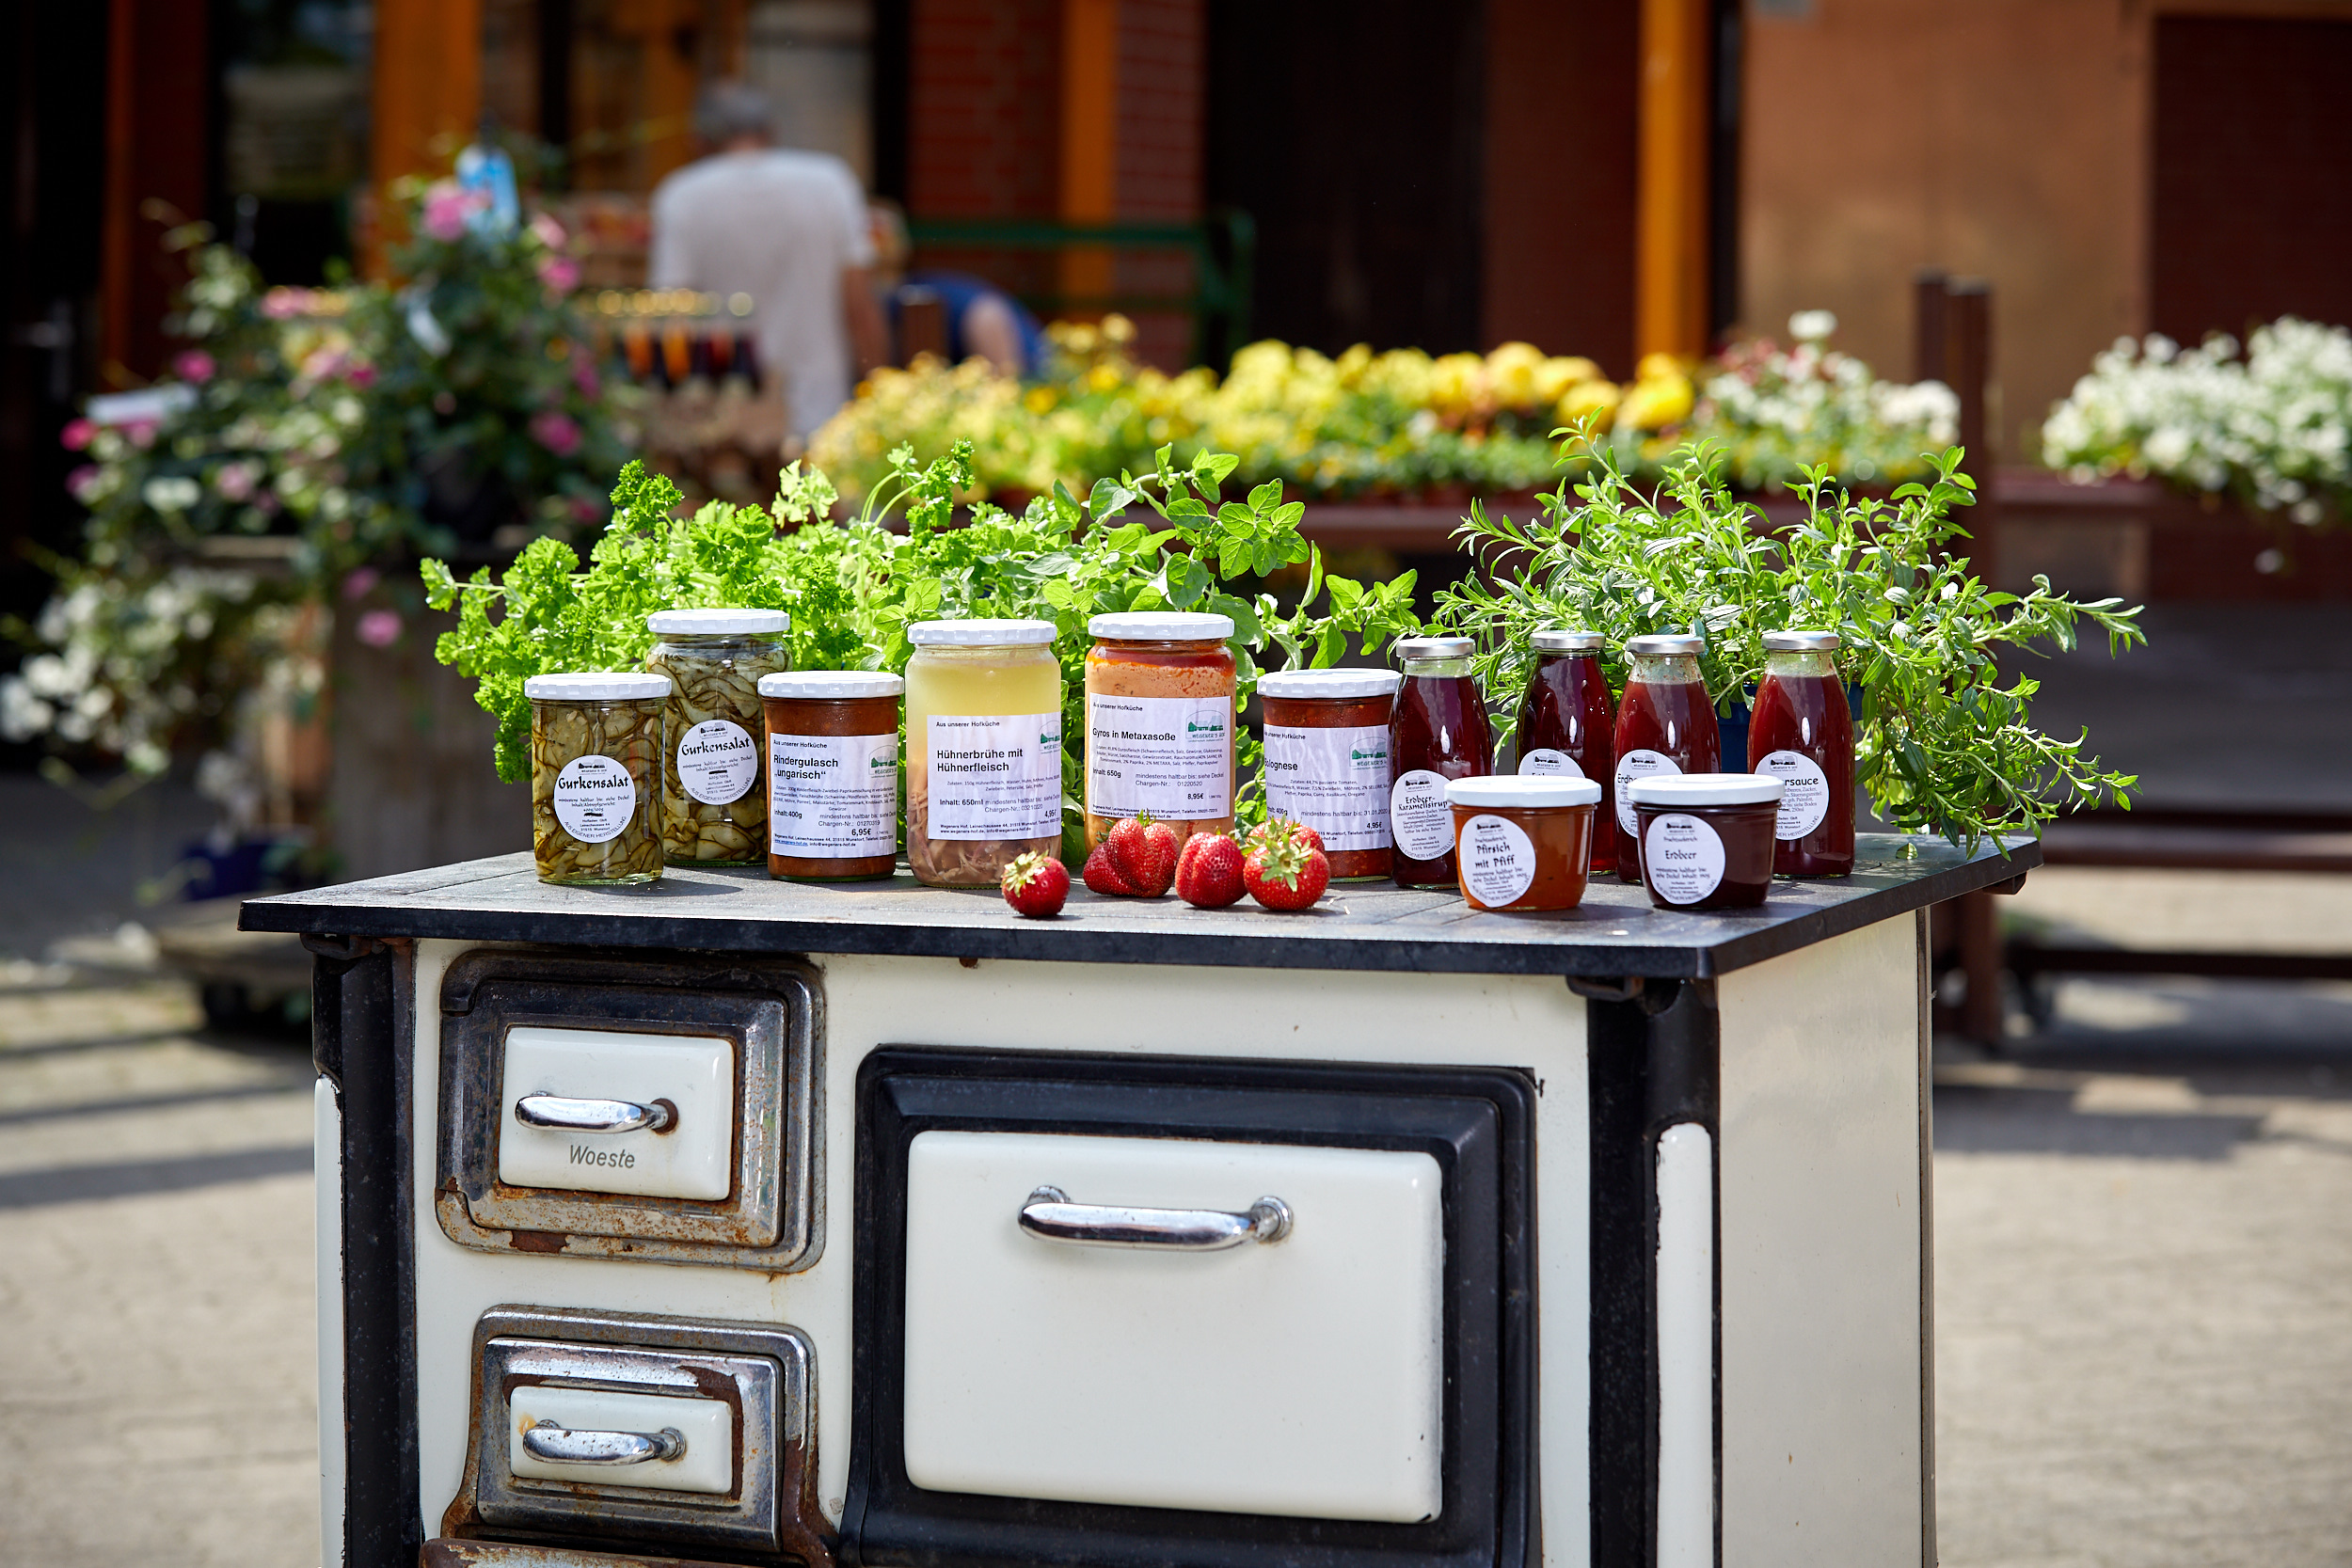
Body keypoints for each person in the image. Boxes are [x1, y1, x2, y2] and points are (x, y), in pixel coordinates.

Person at [650, 83, 889, 441]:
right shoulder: (829, 182)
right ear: (769, 132)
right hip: (821, 416)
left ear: (700, 141)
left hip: (724, 427)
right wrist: (881, 405)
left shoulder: (682, 195)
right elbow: (861, 310)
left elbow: (673, 317)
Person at [868, 201, 1051, 378]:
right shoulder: (900, 297)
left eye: (877, 234)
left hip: (1037, 378)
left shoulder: (921, 295)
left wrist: (1002, 385)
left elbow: (989, 315)